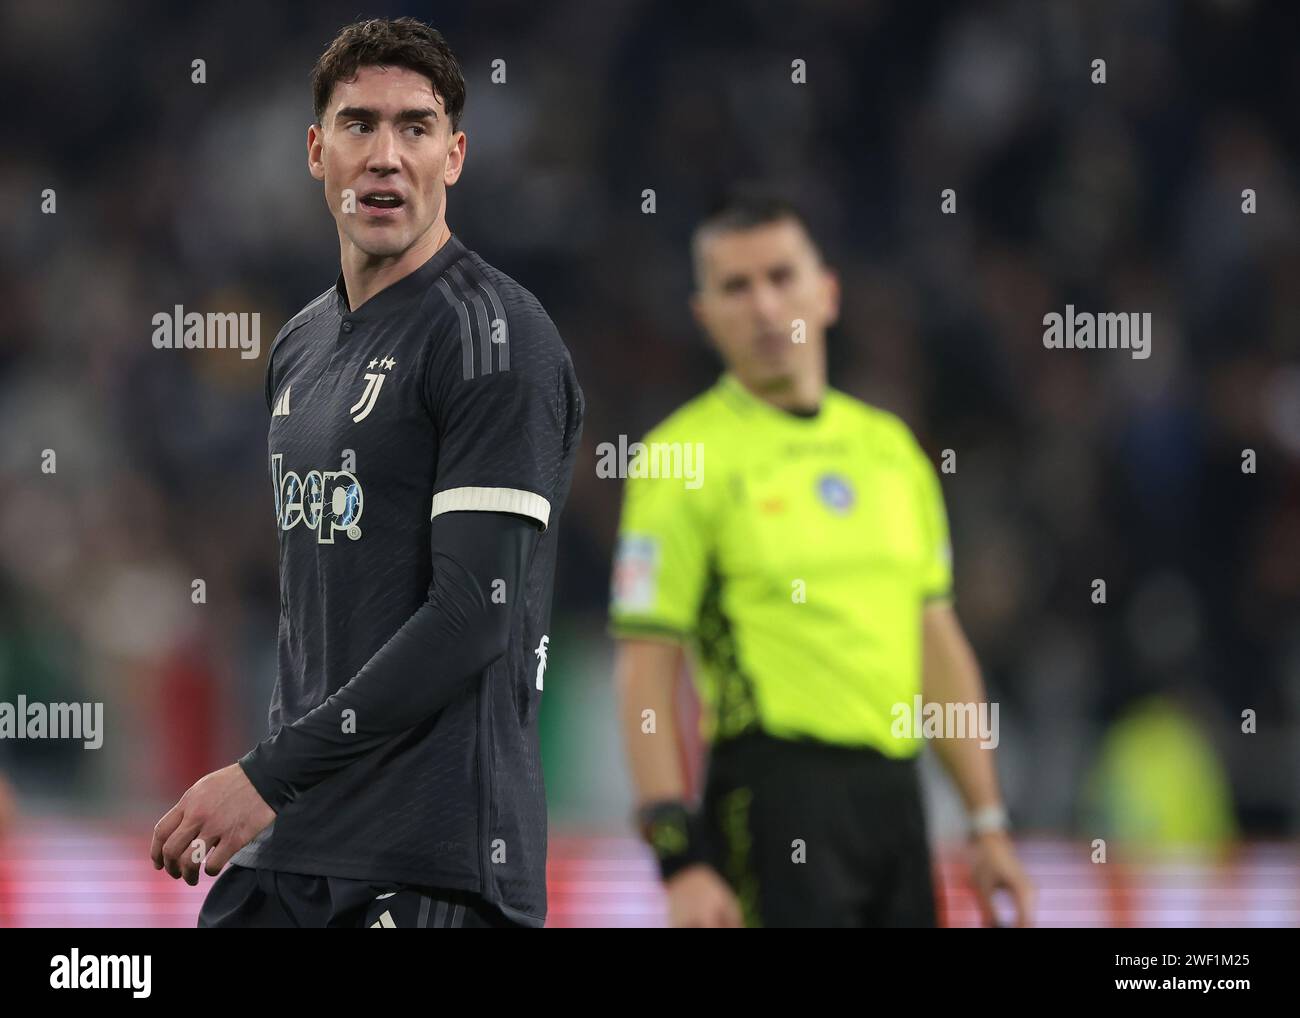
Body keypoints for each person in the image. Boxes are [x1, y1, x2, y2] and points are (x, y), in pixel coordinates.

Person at [150, 16, 584, 929]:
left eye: (415, 128)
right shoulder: (302, 344)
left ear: (455, 156)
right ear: (316, 150)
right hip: (301, 846)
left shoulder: (494, 338)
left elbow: (475, 615)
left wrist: (264, 776)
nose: (386, 155)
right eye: (359, 125)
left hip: (435, 863)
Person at [610, 193, 1032, 927]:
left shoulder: (892, 453)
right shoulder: (681, 458)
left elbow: (936, 642)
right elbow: (648, 660)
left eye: (781, 276)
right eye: (736, 288)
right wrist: (677, 854)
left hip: (897, 801)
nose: (766, 306)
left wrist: (987, 821)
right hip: (773, 794)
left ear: (827, 293)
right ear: (705, 315)